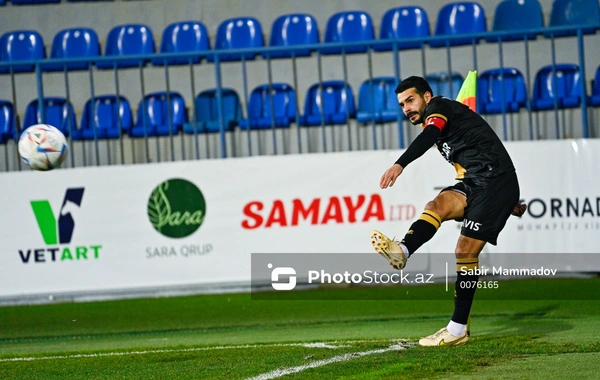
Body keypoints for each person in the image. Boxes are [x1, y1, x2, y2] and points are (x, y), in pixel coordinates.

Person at [370, 76, 527, 347]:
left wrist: (400, 164)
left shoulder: (438, 108)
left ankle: (457, 330)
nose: (407, 108)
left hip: (493, 181)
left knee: (465, 251)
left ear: (427, 97)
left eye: (411, 100)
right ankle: (402, 251)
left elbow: (430, 134)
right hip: (478, 182)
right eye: (402, 104)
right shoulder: (445, 115)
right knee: (436, 206)